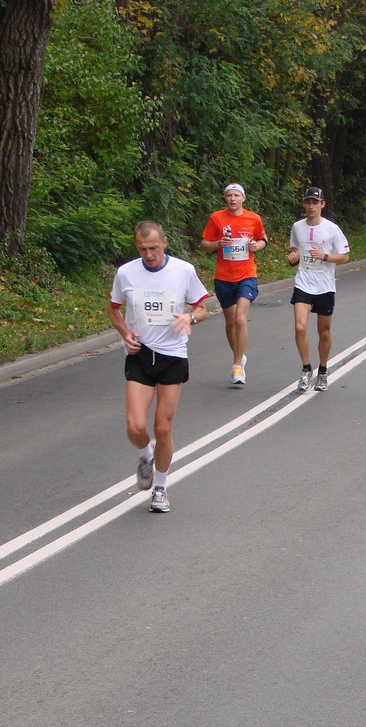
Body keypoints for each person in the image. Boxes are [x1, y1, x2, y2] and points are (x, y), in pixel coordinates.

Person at [108, 221, 210, 513]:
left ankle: (161, 489)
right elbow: (113, 309)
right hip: (141, 353)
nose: (149, 254)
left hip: (172, 356)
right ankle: (145, 454)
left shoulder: (183, 271)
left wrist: (188, 319)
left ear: (165, 242)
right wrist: (125, 333)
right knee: (135, 426)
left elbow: (203, 308)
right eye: (142, 249)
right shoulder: (126, 273)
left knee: (162, 427)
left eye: (153, 248)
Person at [200, 183, 268, 385]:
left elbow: (263, 239)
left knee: (240, 318)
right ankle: (240, 355)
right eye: (229, 195)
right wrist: (217, 244)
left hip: (246, 275)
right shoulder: (216, 218)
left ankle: (237, 366)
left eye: (236, 195)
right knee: (230, 321)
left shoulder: (253, 218)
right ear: (225, 198)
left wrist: (258, 245)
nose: (233, 199)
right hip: (223, 276)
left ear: (243, 198)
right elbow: (203, 244)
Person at [287, 187, 351, 392]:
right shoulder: (297, 227)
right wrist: (293, 258)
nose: (311, 206)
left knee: (323, 331)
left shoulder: (332, 229)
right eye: (308, 202)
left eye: (315, 202)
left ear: (322, 204)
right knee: (300, 327)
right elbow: (294, 250)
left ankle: (322, 371)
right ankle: (306, 369)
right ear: (304, 204)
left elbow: (345, 257)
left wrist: (325, 256)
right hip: (303, 282)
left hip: (324, 285)